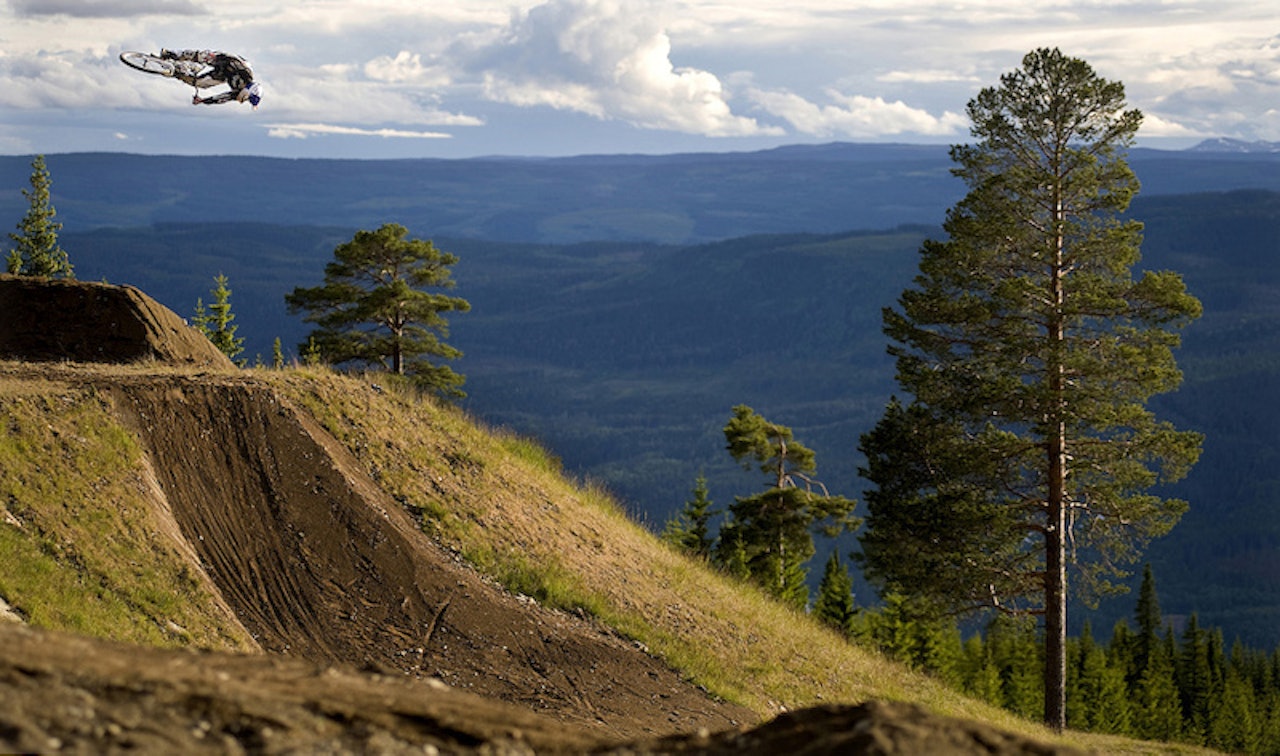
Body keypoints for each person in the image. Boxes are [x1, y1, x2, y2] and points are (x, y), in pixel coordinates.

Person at [159, 49, 262, 108]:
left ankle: (177, 72)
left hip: (223, 75)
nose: (245, 100)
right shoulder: (247, 73)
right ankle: (171, 54)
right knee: (202, 57)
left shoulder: (237, 93)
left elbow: (221, 98)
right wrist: (215, 59)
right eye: (249, 98)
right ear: (250, 90)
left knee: (199, 83)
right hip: (222, 60)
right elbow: (233, 59)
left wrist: (203, 101)